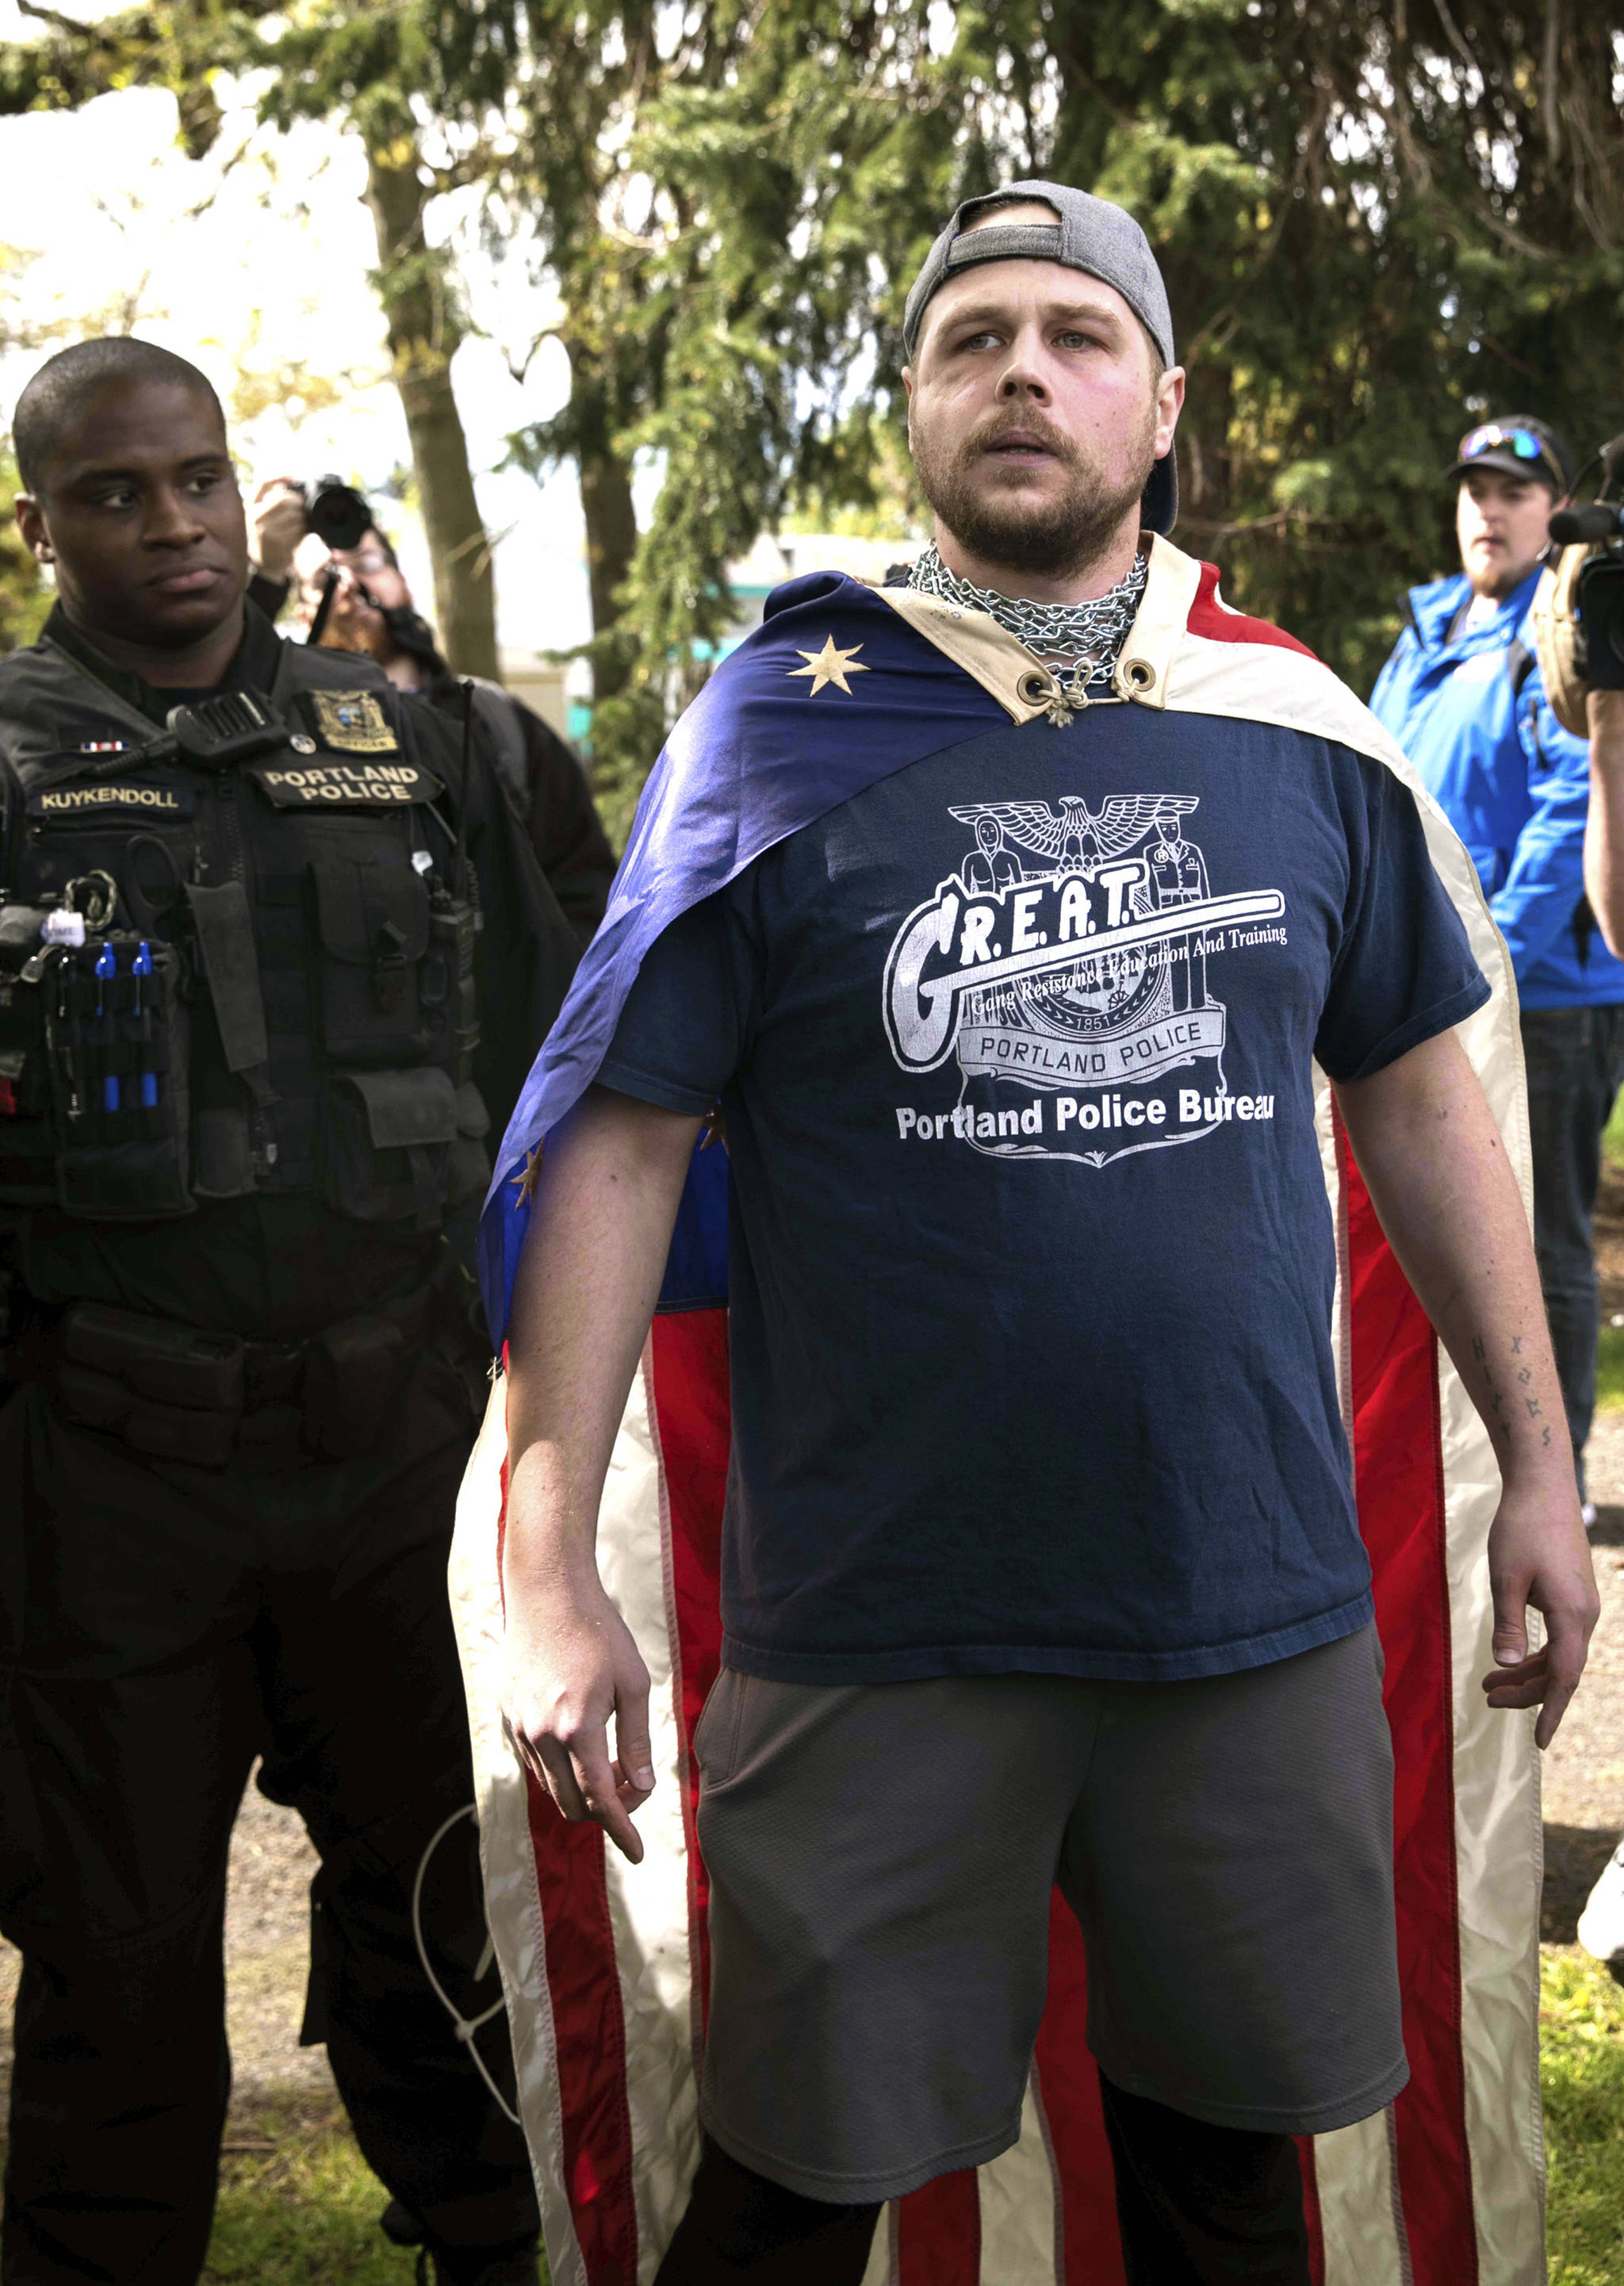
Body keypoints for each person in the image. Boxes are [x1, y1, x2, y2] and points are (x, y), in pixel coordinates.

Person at [488, 185, 1599, 2285]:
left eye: (1077, 335)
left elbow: (1422, 1096)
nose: (1022, 368)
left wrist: (1543, 1470)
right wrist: (552, 1573)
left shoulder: (1298, 736)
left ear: (1161, 401)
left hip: (1242, 1616)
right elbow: (616, 1148)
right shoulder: (775, 733)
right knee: (794, 2202)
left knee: (1226, 2201)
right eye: (970, 335)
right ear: (910, 404)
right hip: (874, 1623)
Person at [0, 338, 579, 2286]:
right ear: (40, 525)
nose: (168, 522)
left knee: (446, 1915)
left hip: (393, 1456)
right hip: (108, 1474)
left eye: (192, 479)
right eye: (111, 492)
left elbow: (553, 1056)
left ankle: (494, 2243)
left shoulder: (421, 743)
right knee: (121, 1965)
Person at [1369, 419, 1624, 1523]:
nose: (1490, 509)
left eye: (1517, 491)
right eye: (1475, 487)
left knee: (1546, 1240)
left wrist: (1469, 972)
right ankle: (1472, 1480)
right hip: (1425, 997)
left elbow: (1576, 802)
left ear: (1555, 513)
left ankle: (1553, 1477)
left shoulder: (1568, 625)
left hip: (1543, 994)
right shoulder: (1425, 631)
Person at [249, 483, 615, 949]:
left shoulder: (495, 722)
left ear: (403, 584)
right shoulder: (280, 734)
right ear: (302, 617)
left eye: (367, 565)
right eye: (324, 580)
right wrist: (264, 575)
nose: (350, 586)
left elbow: (582, 884)